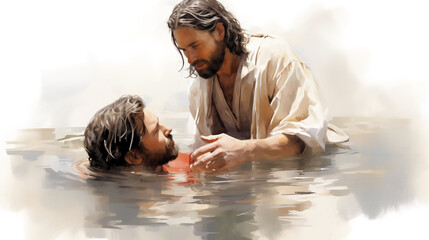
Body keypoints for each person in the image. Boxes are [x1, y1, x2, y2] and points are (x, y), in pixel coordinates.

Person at [167, 0, 348, 172]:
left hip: (318, 169)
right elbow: (203, 153)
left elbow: (305, 138)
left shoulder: (274, 58)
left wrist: (246, 150)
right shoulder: (199, 85)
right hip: (256, 179)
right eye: (184, 50)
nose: (190, 59)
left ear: (219, 32)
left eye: (195, 46)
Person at [83, 95, 179, 170]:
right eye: (156, 130)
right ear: (134, 157)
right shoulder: (124, 194)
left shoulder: (188, 164)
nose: (168, 128)